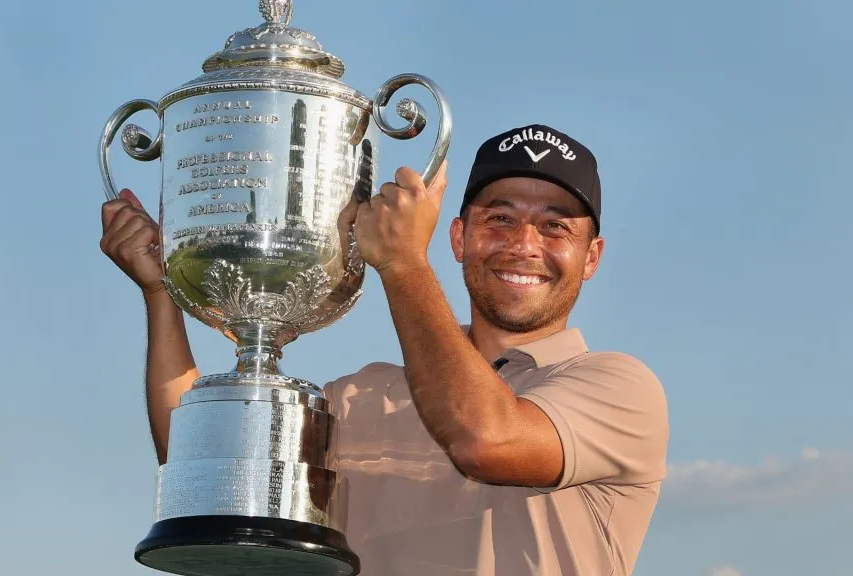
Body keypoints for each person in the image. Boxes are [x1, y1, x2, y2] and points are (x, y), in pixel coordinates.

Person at [100, 123, 669, 576]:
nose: (523, 245)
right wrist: (161, 293)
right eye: (500, 219)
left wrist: (402, 262)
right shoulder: (364, 396)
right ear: (459, 238)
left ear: (591, 257)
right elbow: (206, 464)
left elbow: (484, 439)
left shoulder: (617, 387)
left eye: (555, 227)